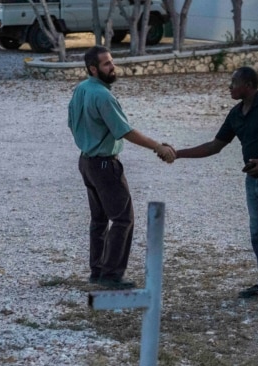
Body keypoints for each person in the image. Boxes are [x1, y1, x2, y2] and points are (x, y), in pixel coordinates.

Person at [169, 66, 258, 310]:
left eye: (234, 83)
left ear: (249, 86)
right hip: (253, 181)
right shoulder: (236, 114)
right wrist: (177, 154)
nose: (229, 87)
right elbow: (214, 146)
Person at [68, 46, 175, 289]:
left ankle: (97, 270)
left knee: (99, 220)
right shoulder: (103, 96)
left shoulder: (81, 89)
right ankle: (111, 275)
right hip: (105, 165)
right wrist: (158, 146)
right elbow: (125, 131)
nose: (112, 67)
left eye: (111, 61)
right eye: (106, 64)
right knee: (123, 219)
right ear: (93, 68)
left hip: (86, 161)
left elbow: (71, 123)